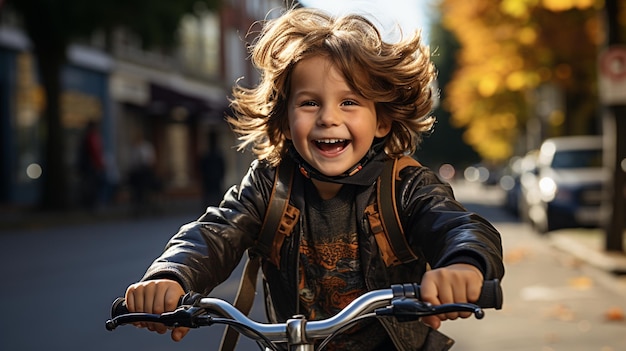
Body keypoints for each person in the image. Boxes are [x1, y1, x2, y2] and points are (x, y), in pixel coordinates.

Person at [123, 8, 504, 350]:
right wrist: (171, 275)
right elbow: (214, 233)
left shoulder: (405, 186)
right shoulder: (270, 186)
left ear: (382, 121)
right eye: (309, 103)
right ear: (285, 121)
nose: (328, 117)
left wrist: (463, 264)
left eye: (349, 102)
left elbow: (458, 225)